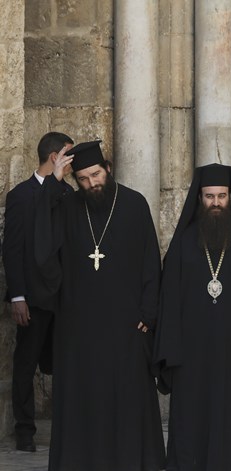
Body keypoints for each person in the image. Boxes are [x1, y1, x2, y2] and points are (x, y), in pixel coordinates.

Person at [34, 140, 165, 470]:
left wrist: (149, 312)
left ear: (108, 169)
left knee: (125, 398)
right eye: (83, 179)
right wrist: (55, 182)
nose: (91, 184)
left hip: (126, 326)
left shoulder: (134, 204)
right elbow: (43, 249)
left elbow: (151, 261)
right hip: (78, 327)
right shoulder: (66, 206)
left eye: (95, 175)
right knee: (83, 400)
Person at [155, 163, 231, 471]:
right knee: (191, 414)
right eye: (210, 197)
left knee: (229, 411)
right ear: (199, 199)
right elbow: (168, 301)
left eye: (222, 196)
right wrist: (171, 351)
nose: (216, 203)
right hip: (190, 351)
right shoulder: (182, 244)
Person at [3, 132, 73, 452]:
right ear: (54, 157)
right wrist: (18, 296)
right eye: (68, 156)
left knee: (65, 362)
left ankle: (69, 426)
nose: (72, 163)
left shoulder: (67, 194)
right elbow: (12, 248)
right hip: (33, 297)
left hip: (64, 298)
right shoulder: (21, 195)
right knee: (26, 363)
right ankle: (25, 430)